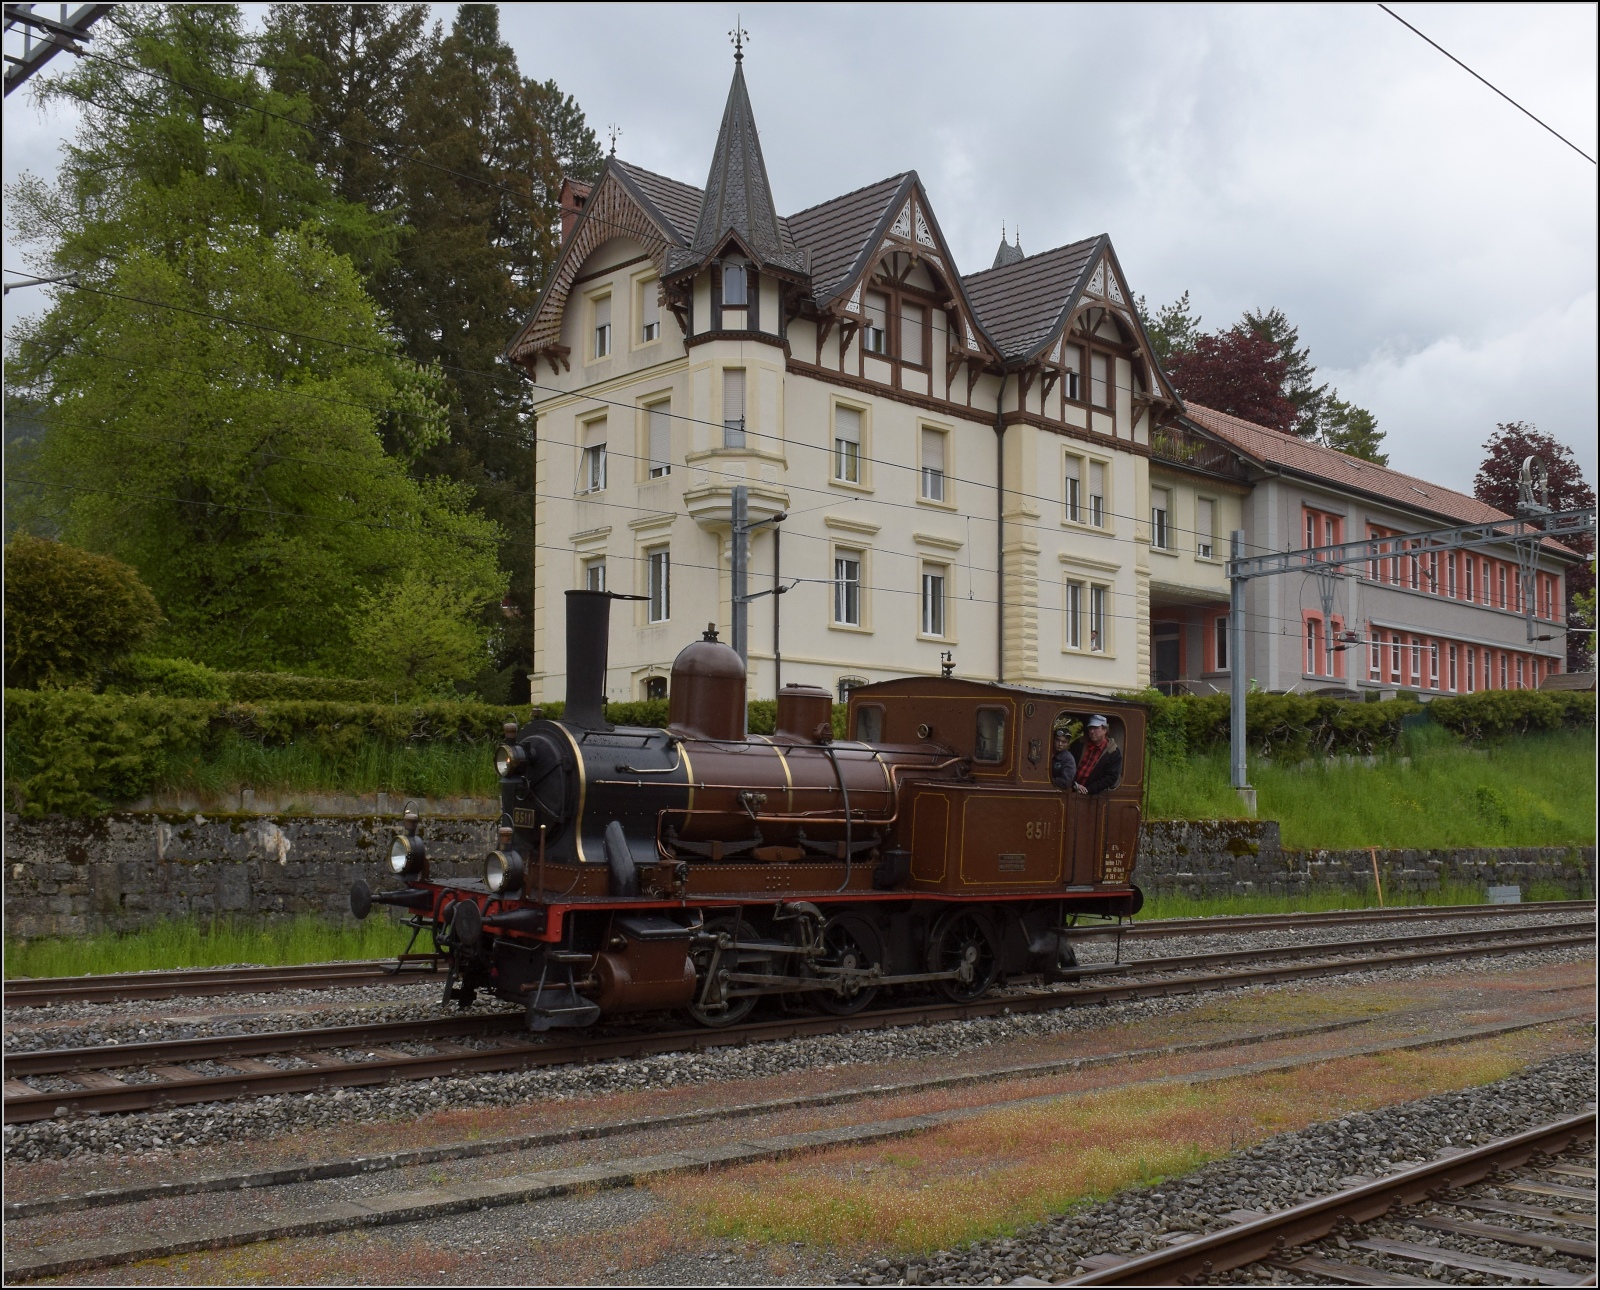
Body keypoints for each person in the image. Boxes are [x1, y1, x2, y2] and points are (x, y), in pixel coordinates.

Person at [1069, 714, 1122, 795]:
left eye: (1096, 728)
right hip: (1070, 789)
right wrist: (1073, 784)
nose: (1092, 731)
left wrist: (1089, 790)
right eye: (1090, 728)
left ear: (1105, 730)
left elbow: (1111, 777)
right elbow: (1067, 763)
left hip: (1093, 796)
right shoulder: (1079, 743)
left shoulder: (1113, 752)